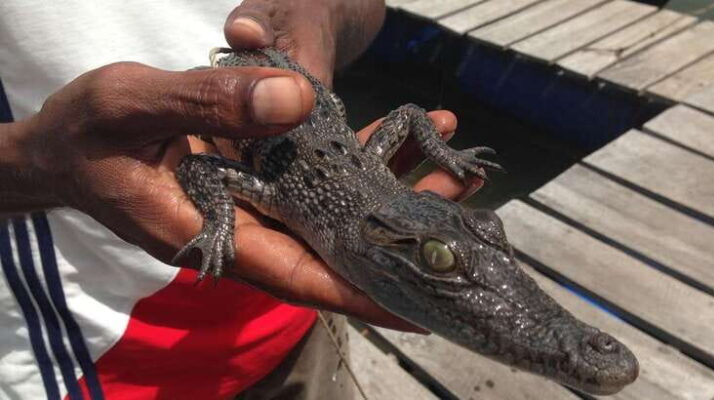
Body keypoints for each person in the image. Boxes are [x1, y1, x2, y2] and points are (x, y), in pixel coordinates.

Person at [0, 1, 479, 399]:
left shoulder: (298, 193)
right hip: (99, 360)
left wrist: (325, 12)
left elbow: (407, 108)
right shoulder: (274, 191)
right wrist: (37, 163)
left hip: (306, 311)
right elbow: (199, 167)